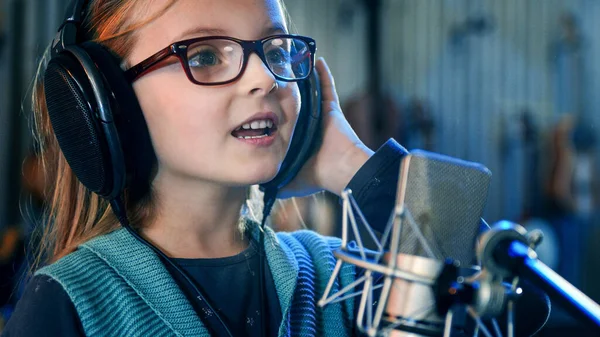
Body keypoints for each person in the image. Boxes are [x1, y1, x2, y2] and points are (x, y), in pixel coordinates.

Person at [3, 0, 549, 336]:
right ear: (106, 101)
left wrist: (351, 164)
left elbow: (518, 312)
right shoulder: (75, 301)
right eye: (205, 56)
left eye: (274, 50)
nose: (263, 78)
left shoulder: (335, 272)